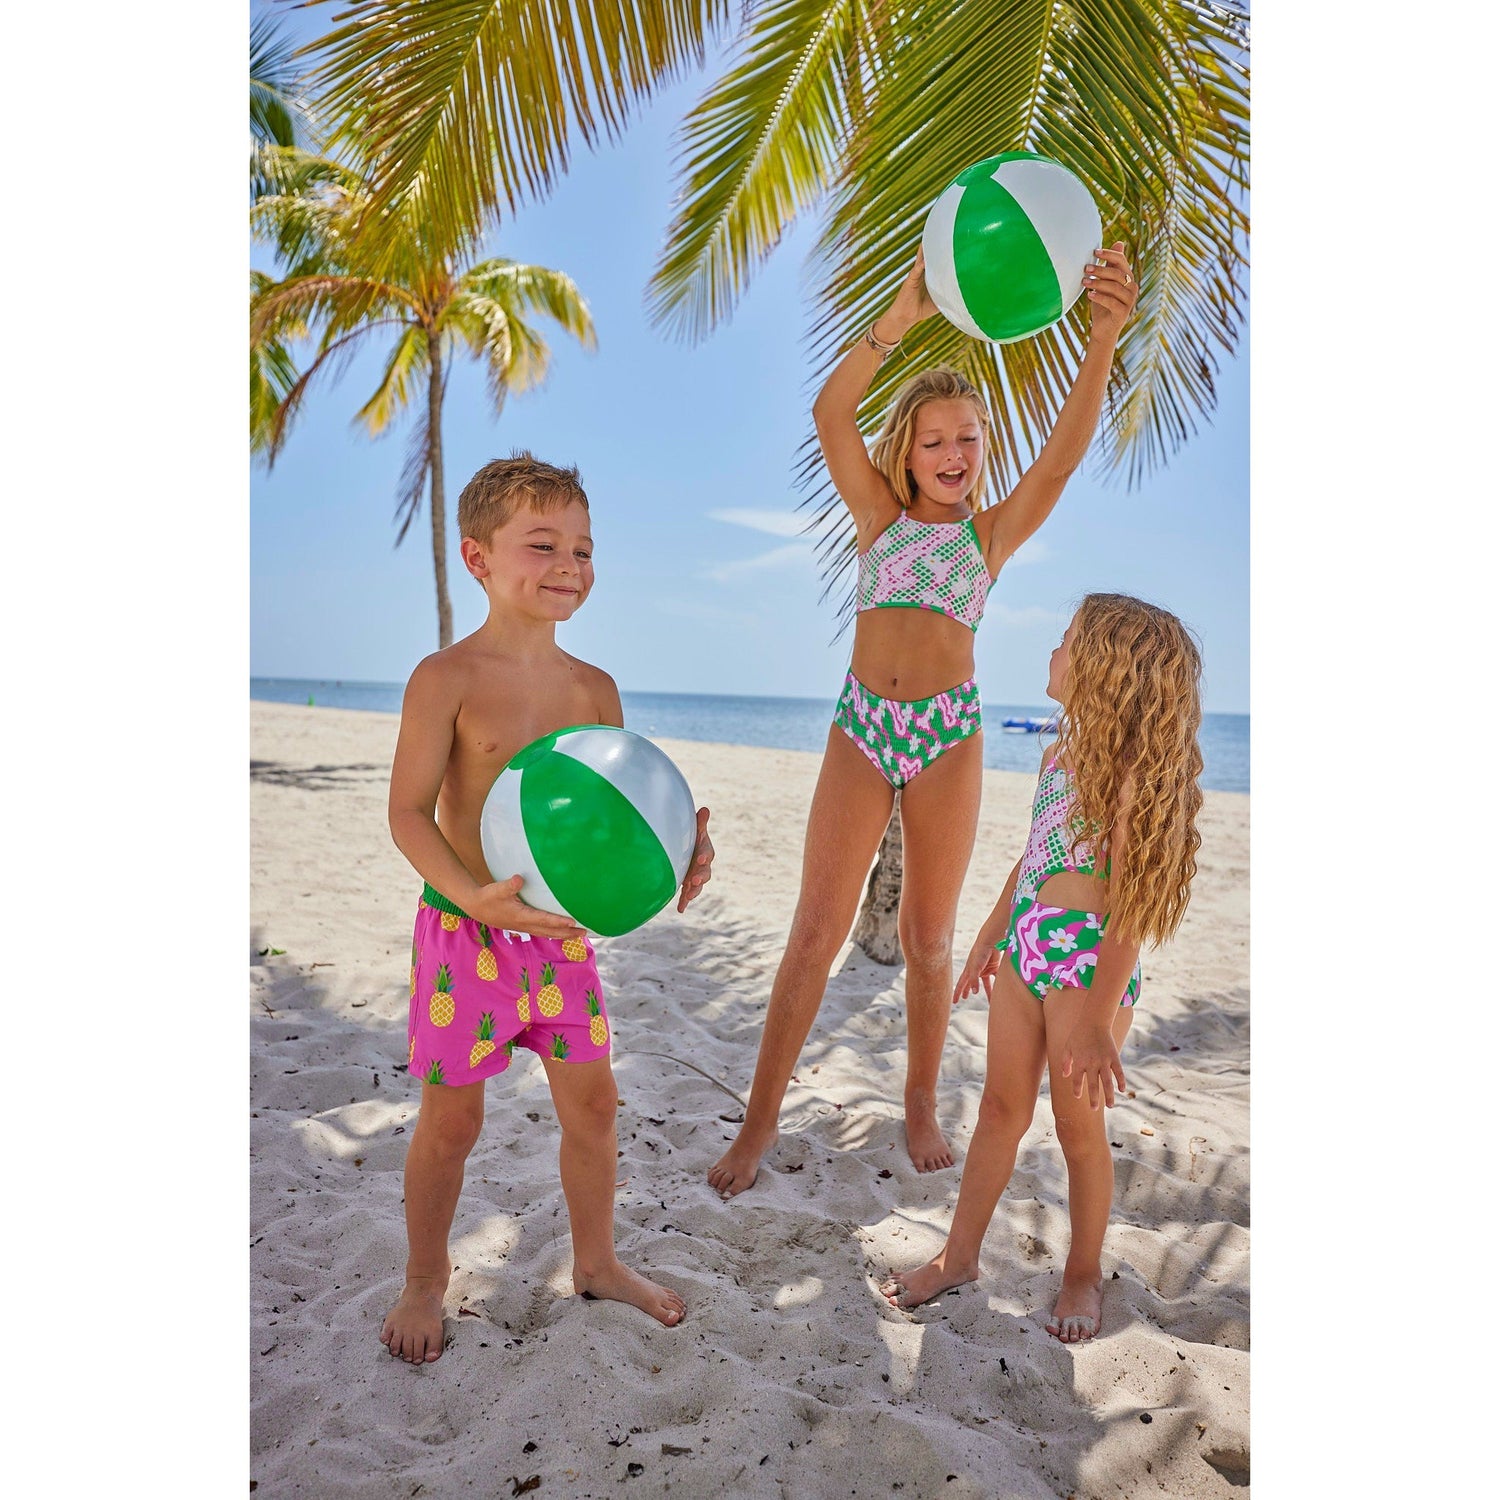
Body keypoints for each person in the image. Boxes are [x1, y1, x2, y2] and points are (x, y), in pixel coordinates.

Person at [708, 243, 1139, 1195]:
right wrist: (894, 324)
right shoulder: (877, 516)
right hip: (862, 726)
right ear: (906, 451)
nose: (954, 456)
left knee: (930, 939)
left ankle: (917, 1102)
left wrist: (1103, 334)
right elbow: (831, 414)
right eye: (936, 440)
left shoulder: (988, 536)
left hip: (949, 735)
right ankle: (759, 1120)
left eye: (969, 440)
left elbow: (1061, 461)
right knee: (815, 930)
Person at [379, 453, 715, 1364]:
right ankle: (424, 1279)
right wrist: (471, 895)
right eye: (543, 544)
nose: (569, 563)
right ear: (479, 557)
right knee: (453, 1122)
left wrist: (678, 855)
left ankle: (597, 1261)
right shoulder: (445, 677)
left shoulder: (593, 690)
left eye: (583, 548)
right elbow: (407, 813)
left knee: (595, 1107)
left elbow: (617, 819)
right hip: (466, 935)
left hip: (560, 941)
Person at [881, 594, 1204, 1342]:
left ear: (1105, 669)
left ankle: (1082, 1273)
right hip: (1029, 943)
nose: (1052, 652)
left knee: (1076, 1128)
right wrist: (992, 933)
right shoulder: (1060, 753)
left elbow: (1131, 907)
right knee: (1000, 1108)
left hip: (1090, 964)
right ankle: (959, 1256)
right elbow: (1035, 853)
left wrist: (1096, 1018)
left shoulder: (1131, 777)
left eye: (1065, 641)